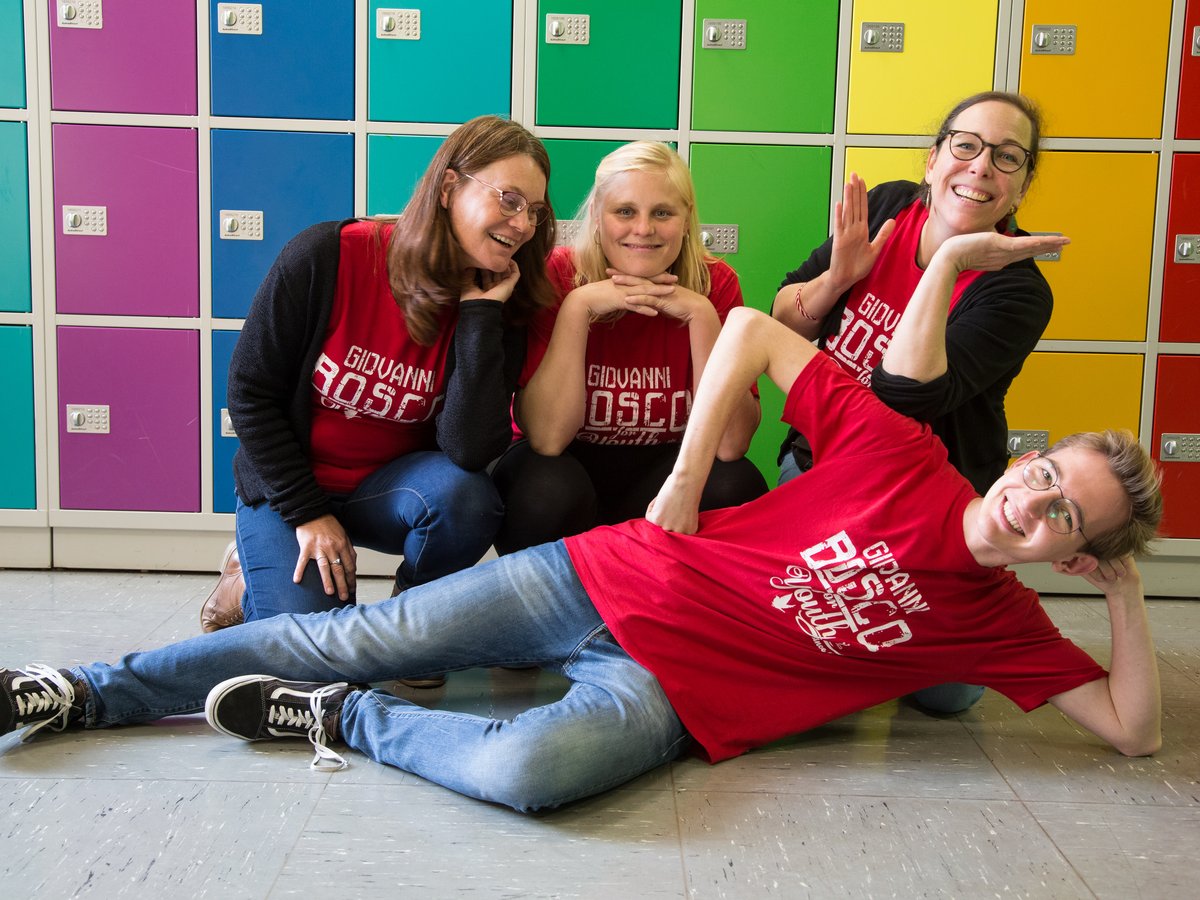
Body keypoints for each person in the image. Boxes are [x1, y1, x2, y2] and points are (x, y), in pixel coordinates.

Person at [2, 241, 1164, 814]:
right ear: (1024, 459)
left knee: (532, 773)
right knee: (347, 632)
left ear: (1068, 550)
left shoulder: (1000, 624)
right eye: (1047, 474)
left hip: (674, 696)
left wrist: (1122, 589)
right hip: (609, 575)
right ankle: (83, 688)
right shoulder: (898, 455)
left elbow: (1130, 731)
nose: (1036, 502)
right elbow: (755, 326)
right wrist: (685, 481)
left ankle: (342, 726)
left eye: (1068, 517)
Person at [200, 115, 557, 641]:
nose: (523, 224)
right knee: (307, 648)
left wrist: (480, 320)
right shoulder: (327, 256)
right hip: (291, 491)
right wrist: (308, 514)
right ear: (450, 187)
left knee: (468, 497)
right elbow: (250, 394)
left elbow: (470, 452)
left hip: (386, 490)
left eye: (535, 210)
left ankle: (408, 623)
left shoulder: (501, 301)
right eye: (509, 199)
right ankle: (246, 571)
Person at [772, 91, 1053, 714]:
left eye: (1008, 157)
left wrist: (949, 261)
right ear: (933, 160)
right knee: (798, 631)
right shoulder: (888, 208)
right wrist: (839, 277)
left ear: (1023, 184)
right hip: (822, 466)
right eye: (967, 145)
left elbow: (909, 400)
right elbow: (785, 320)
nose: (981, 167)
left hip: (923, 499)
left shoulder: (1018, 292)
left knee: (947, 696)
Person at [490, 141, 766, 554]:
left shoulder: (716, 283)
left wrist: (702, 316)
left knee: (735, 482)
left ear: (687, 218)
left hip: (662, 472)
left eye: (662, 212)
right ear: (598, 216)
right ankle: (558, 612)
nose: (643, 229)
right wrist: (578, 308)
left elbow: (730, 444)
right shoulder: (559, 274)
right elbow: (548, 439)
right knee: (545, 488)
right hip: (568, 466)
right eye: (624, 211)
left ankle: (668, 605)